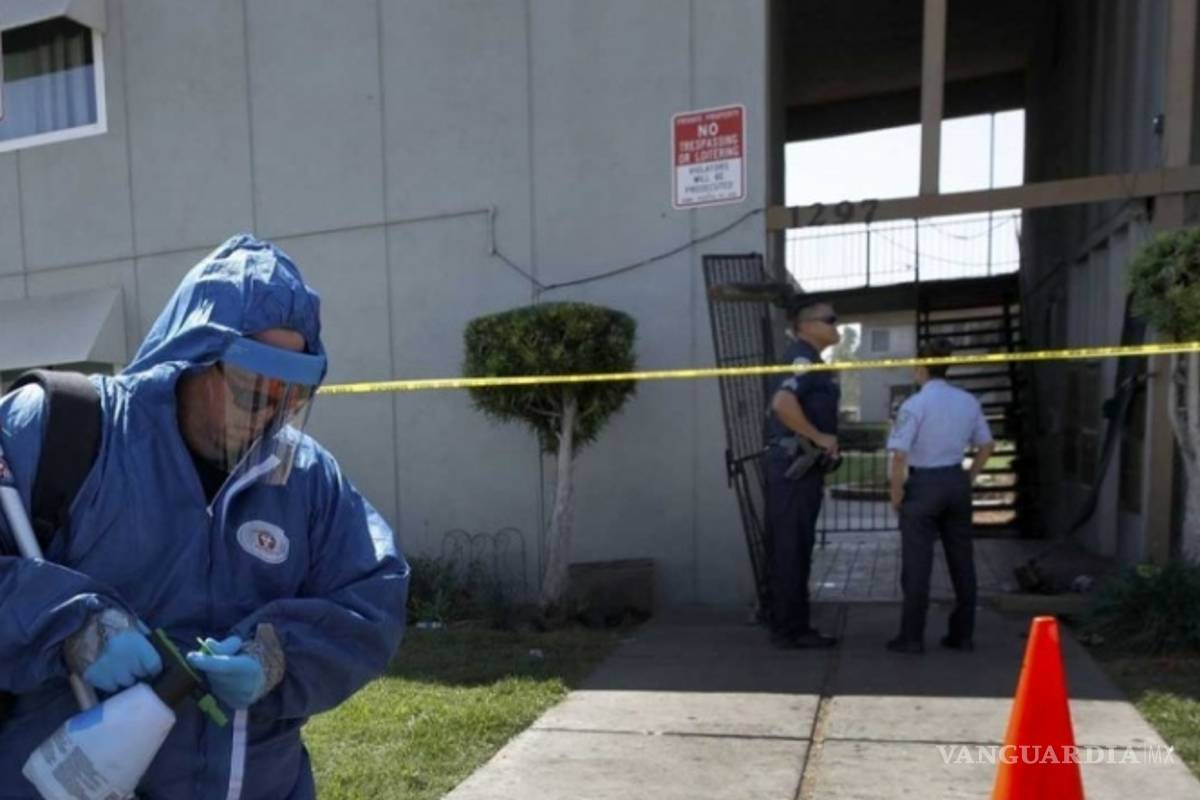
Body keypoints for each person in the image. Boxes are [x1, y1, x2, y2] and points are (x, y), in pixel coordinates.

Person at [0, 234, 410, 799]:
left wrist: (278, 656)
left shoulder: (310, 481)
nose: (269, 414)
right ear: (194, 359)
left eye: (290, 396)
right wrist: (70, 628)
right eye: (253, 389)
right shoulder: (62, 430)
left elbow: (373, 600)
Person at [885, 337, 994, 655]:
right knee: (962, 561)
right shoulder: (967, 401)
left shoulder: (914, 405)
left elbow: (899, 455)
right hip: (955, 481)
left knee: (917, 564)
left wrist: (896, 493)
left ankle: (912, 637)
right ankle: (962, 634)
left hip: (924, 485)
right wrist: (968, 478)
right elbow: (987, 446)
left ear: (922, 367)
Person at [763, 298, 842, 648]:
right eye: (830, 320)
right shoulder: (802, 359)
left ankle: (791, 624)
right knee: (791, 548)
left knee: (796, 546)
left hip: (802, 469)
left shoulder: (813, 362)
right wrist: (819, 436)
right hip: (794, 469)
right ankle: (790, 629)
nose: (836, 326)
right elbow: (782, 403)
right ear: (806, 325)